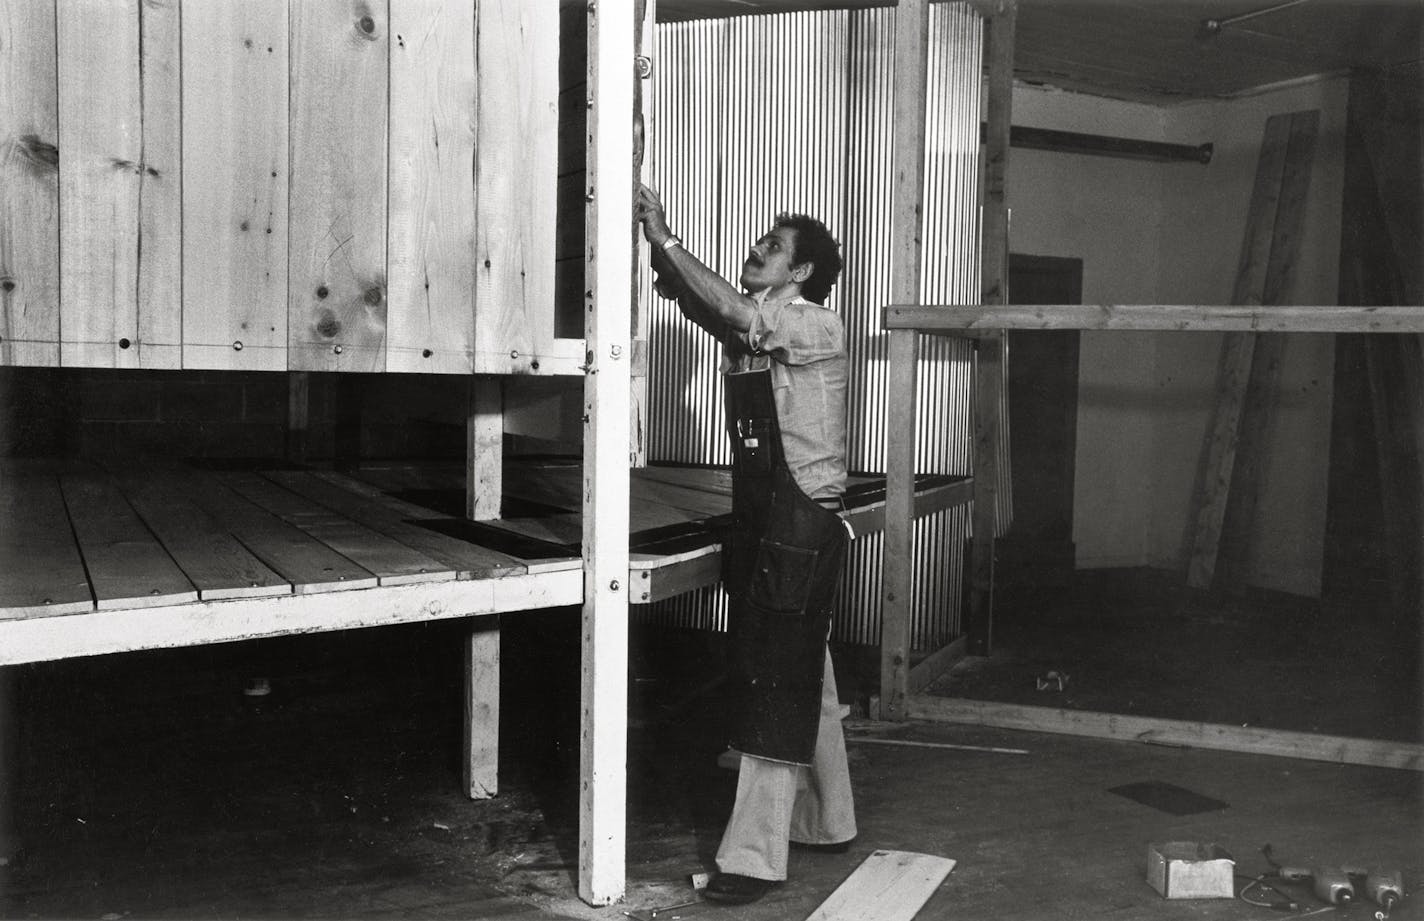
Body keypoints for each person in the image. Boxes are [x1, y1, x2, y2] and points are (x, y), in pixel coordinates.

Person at [635, 183, 857, 906]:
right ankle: (828, 819)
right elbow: (712, 307)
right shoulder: (759, 325)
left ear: (798, 275)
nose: (757, 246)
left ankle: (755, 859)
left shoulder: (817, 324)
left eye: (774, 244)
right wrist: (656, 248)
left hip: (800, 524)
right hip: (770, 518)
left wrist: (667, 240)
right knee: (805, 670)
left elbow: (729, 309)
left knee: (774, 681)